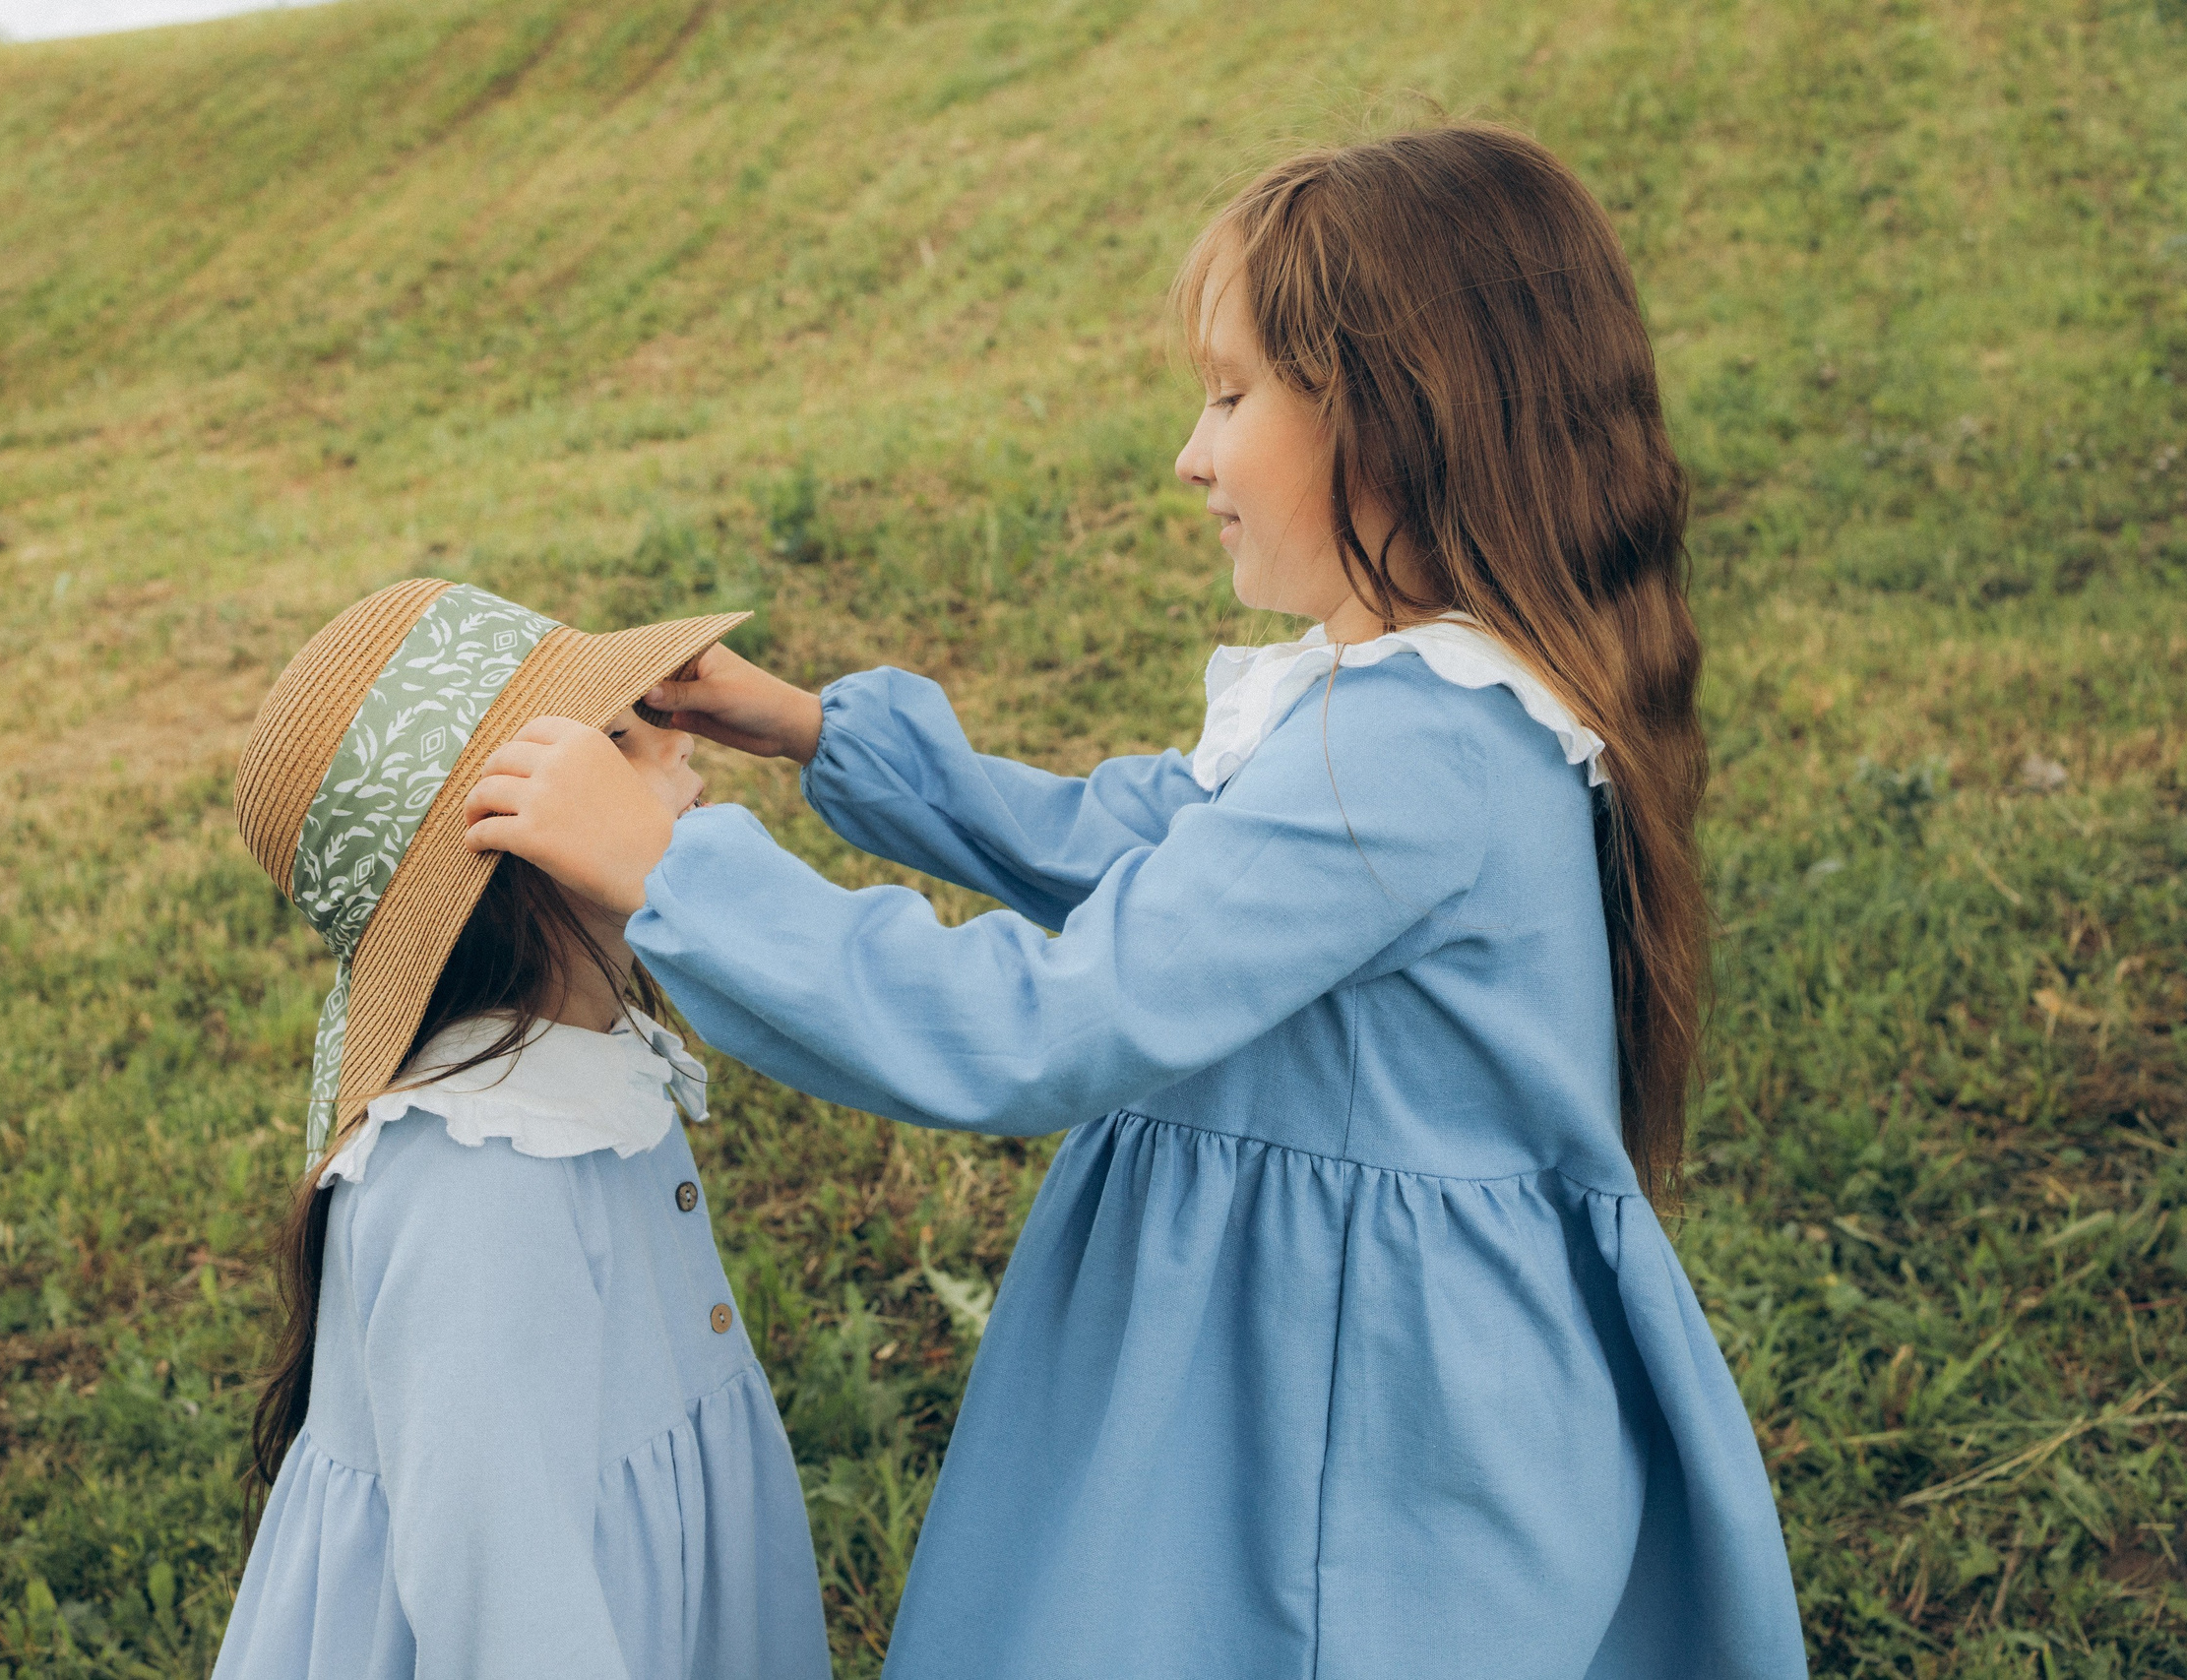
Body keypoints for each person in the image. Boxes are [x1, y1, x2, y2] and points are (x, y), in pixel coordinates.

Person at [463, 124, 1811, 1678]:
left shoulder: (1415, 750)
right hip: (1331, 1335)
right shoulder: (1421, 708)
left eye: (1232, 396)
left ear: (1398, 414)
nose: (1191, 453)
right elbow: (1147, 842)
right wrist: (821, 731)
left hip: (1349, 1405)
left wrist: (664, 865)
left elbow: (1035, 1027)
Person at [213, 579, 830, 1680]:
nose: (682, 748)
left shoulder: (582, 1073)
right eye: (619, 741)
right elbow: (500, 1589)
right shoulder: (480, 1173)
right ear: (503, 851)